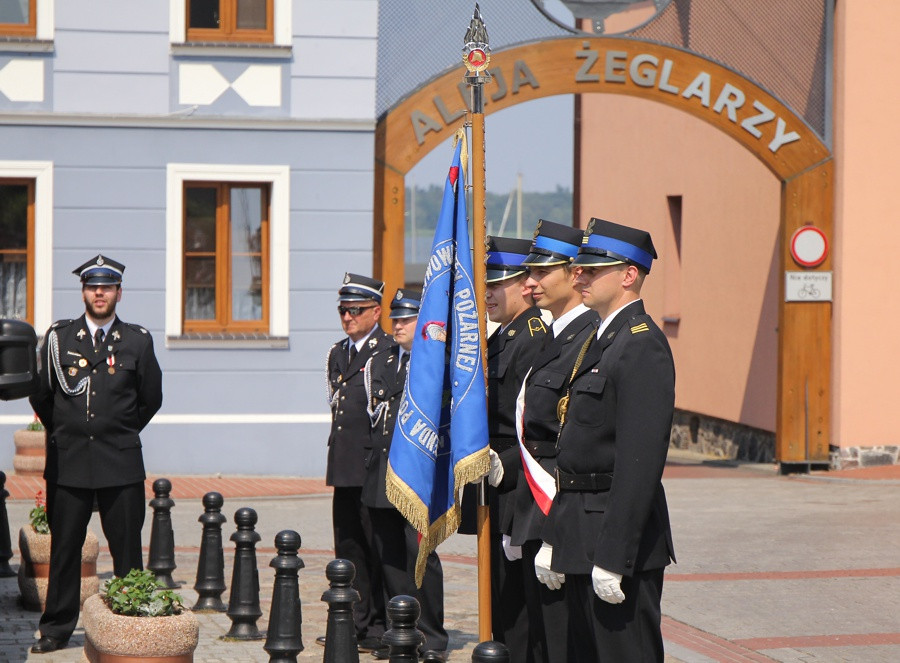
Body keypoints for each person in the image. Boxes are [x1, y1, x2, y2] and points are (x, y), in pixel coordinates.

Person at [541, 218, 676, 662]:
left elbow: (639, 463)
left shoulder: (640, 344)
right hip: (579, 531)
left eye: (591, 270)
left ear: (628, 275)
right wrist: (553, 536)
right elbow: (572, 449)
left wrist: (615, 555)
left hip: (614, 541)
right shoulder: (598, 340)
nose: (578, 275)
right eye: (578, 268)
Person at [28, 255, 163, 654]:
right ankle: (56, 628)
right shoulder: (59, 339)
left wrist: (115, 432)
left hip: (119, 462)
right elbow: (42, 394)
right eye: (92, 286)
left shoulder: (138, 340)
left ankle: (129, 626)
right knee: (65, 550)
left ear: (118, 292)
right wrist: (70, 431)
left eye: (106, 287)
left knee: (126, 551)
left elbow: (150, 398)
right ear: (84, 291)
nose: (99, 293)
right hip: (68, 462)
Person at [511, 221, 598, 662]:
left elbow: (572, 443)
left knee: (563, 643)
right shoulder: (553, 337)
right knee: (538, 641)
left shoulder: (588, 339)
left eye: (541, 273)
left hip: (557, 514)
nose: (529, 284)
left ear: (574, 273)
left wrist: (553, 534)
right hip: (534, 507)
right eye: (528, 273)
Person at [460, 236, 547, 659]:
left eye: (497, 284)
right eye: (485, 285)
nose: (488, 293)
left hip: (516, 491)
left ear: (523, 285)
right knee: (499, 603)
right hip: (493, 489)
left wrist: (503, 465)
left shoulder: (532, 337)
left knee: (517, 614)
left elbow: (535, 428)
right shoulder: (502, 337)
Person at [362, 288, 449, 661]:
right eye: (394, 318)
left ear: (424, 322)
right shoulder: (381, 361)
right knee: (389, 556)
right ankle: (400, 632)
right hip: (382, 473)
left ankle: (431, 635)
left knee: (420, 555)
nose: (397, 324)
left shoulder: (435, 364)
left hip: (418, 476)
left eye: (406, 318)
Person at [324, 273, 392, 653]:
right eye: (343, 311)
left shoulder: (384, 351)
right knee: (348, 547)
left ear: (376, 311)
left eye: (356, 310)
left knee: (376, 548)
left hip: (371, 465)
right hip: (344, 465)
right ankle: (355, 620)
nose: (348, 317)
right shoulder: (338, 352)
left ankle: (380, 624)